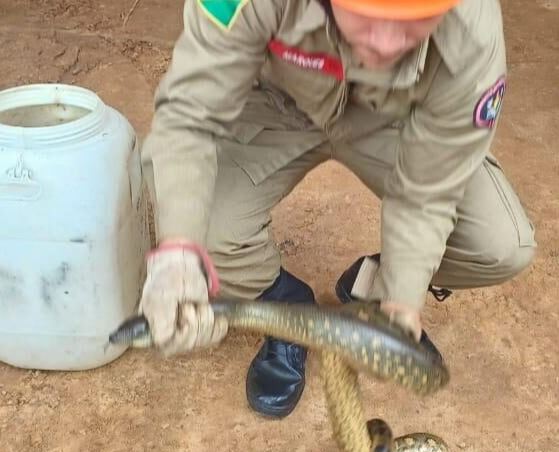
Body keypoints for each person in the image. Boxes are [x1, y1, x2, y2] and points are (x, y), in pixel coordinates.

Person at [139, 0, 536, 418]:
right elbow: (189, 115)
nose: (384, 44)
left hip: (395, 120)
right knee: (193, 225)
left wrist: (399, 302)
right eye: (368, 13)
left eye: (411, 19)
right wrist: (180, 252)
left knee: (497, 244)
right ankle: (286, 307)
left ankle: (369, 290)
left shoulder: (471, 28)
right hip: (275, 105)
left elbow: (429, 193)